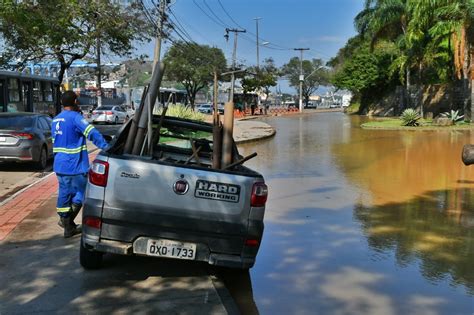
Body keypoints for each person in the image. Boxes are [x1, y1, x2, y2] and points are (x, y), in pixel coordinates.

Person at [52, 91, 109, 238]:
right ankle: (68, 224)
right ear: (76, 102)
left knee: (64, 193)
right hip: (75, 165)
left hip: (60, 164)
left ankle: (66, 222)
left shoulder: (56, 120)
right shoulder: (76, 118)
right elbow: (93, 134)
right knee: (83, 192)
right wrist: (107, 147)